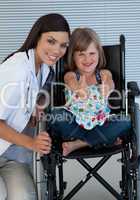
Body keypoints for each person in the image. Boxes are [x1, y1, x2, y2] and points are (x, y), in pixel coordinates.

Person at [0, 13, 70, 200]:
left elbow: (45, 85)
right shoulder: (17, 70)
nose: (57, 50)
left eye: (63, 45)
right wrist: (32, 143)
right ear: (37, 37)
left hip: (12, 157)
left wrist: (38, 104)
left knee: (24, 197)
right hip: (12, 145)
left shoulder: (45, 69)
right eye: (51, 41)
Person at [49, 27, 131, 157]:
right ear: (73, 57)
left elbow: (110, 82)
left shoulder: (103, 74)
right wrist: (78, 89)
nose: (87, 59)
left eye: (92, 54)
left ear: (99, 54)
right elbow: (71, 83)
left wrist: (107, 87)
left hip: (101, 123)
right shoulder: (71, 75)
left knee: (125, 121)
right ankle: (103, 140)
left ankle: (79, 144)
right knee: (56, 114)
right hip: (75, 125)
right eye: (81, 54)